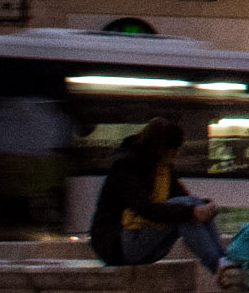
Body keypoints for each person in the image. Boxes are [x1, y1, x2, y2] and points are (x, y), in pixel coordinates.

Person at [87, 116, 230, 274]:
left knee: (193, 206)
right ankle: (218, 264)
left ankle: (222, 259)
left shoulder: (163, 168)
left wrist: (204, 206)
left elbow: (184, 201)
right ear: (161, 148)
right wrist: (192, 211)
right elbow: (147, 209)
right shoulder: (126, 166)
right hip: (119, 245)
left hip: (142, 241)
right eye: (173, 150)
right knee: (188, 210)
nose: (175, 155)